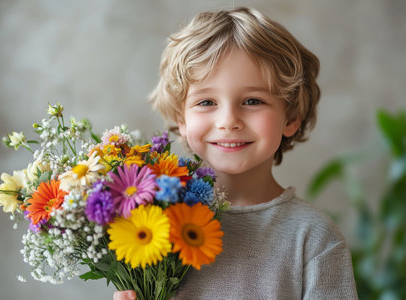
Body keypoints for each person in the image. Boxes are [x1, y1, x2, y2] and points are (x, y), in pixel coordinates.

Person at [114, 6, 358, 299]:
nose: (228, 120)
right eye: (206, 102)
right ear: (182, 118)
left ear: (291, 118)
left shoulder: (314, 238)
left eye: (253, 100)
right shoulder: (152, 223)